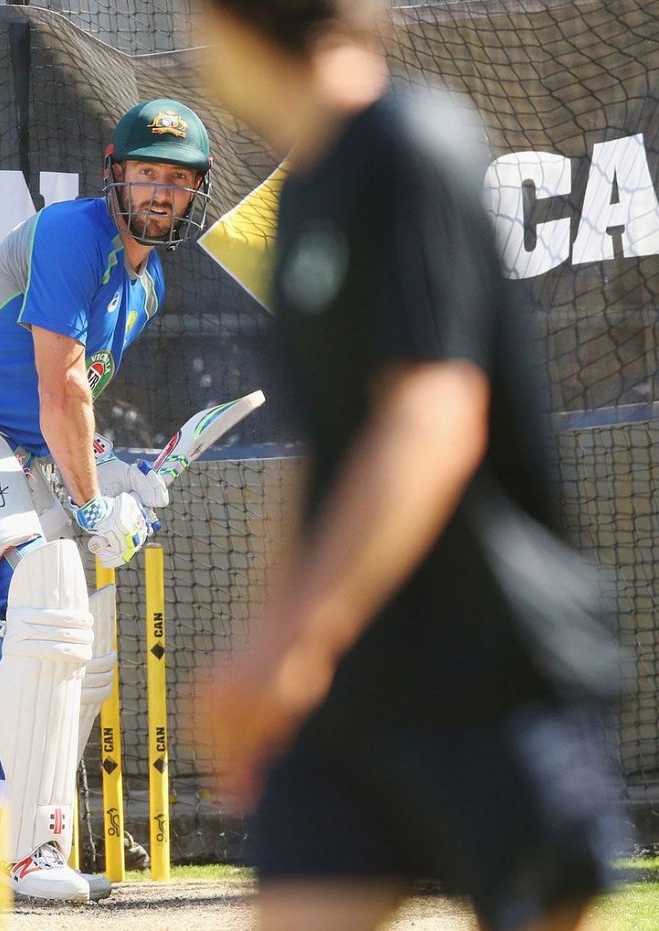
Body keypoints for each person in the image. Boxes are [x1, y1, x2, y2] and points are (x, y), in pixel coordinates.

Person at [191, 2, 631, 930]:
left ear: (231, 25)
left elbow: (432, 417)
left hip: (490, 668)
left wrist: (294, 640)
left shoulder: (411, 144)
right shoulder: (305, 184)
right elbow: (330, 450)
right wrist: (270, 640)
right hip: (352, 688)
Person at [0, 99, 213, 903]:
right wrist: (96, 509)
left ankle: (15, 835)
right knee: (46, 578)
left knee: (82, 625)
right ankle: (24, 855)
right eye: (146, 174)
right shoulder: (73, 234)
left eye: (177, 178)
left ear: (196, 190)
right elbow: (61, 387)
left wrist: (119, 475)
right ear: (115, 172)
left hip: (18, 449)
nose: (160, 192)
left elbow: (69, 413)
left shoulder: (149, 284)